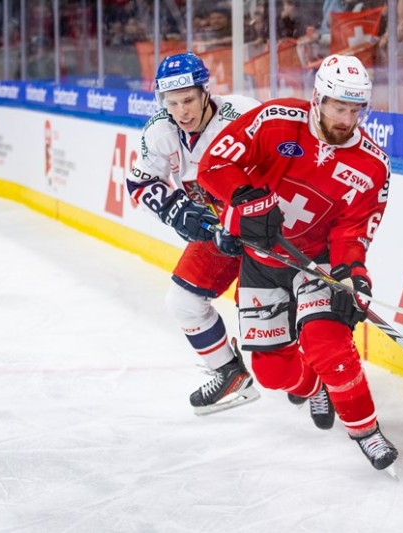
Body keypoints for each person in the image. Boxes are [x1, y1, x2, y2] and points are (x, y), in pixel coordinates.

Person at [197, 54, 398, 471]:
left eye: (355, 109)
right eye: (338, 107)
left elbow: (353, 230)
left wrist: (352, 274)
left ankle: (366, 431)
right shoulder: (275, 120)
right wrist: (246, 198)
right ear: (318, 98)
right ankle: (313, 386)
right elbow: (213, 164)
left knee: (330, 346)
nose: (346, 118)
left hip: (315, 262)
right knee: (271, 371)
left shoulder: (373, 165)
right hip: (262, 256)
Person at [125, 52, 261, 415]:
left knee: (268, 319)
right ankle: (229, 373)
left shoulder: (244, 115)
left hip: (264, 228)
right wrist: (174, 209)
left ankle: (318, 383)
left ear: (205, 92)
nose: (181, 111)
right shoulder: (160, 130)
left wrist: (246, 219)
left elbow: (281, 170)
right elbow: (140, 180)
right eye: (172, 103)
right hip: (216, 233)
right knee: (182, 302)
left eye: (188, 100)